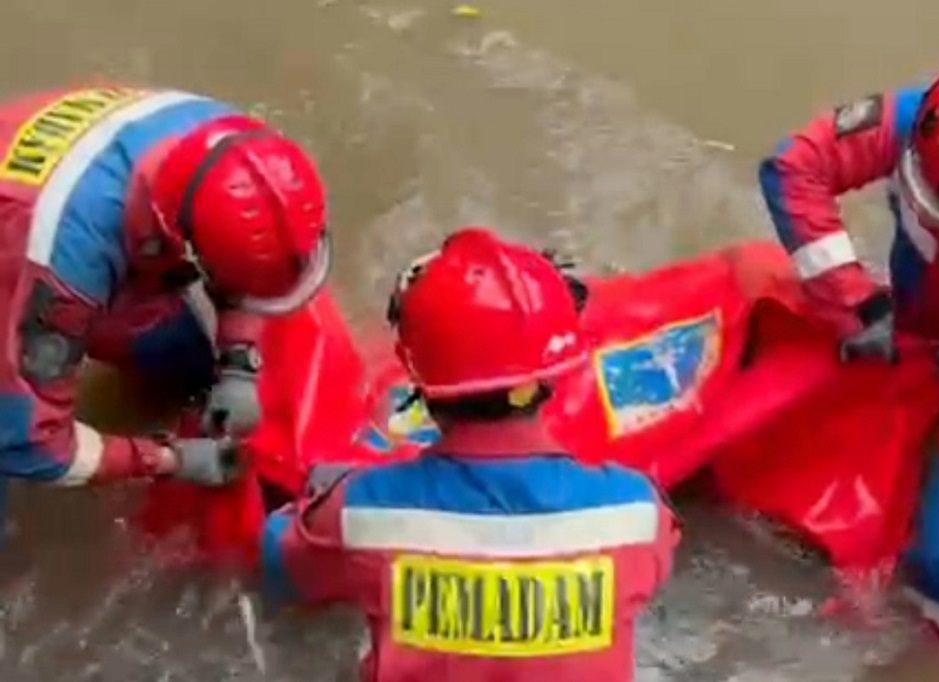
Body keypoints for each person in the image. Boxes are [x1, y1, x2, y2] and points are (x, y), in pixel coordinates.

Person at [260, 227, 680, 682]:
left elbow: (280, 567)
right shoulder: (637, 514)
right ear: (553, 376)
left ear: (420, 384)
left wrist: (325, 499)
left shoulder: (361, 513)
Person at [758, 43, 939, 634]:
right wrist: (853, 300)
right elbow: (797, 166)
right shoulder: (934, 125)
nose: (932, 221)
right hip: (910, 329)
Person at [0, 85, 330, 489]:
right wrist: (167, 460)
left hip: (79, 204)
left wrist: (238, 361)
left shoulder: (237, 151)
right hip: (25, 234)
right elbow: (33, 446)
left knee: (178, 350)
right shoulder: (62, 267)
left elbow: (249, 274)